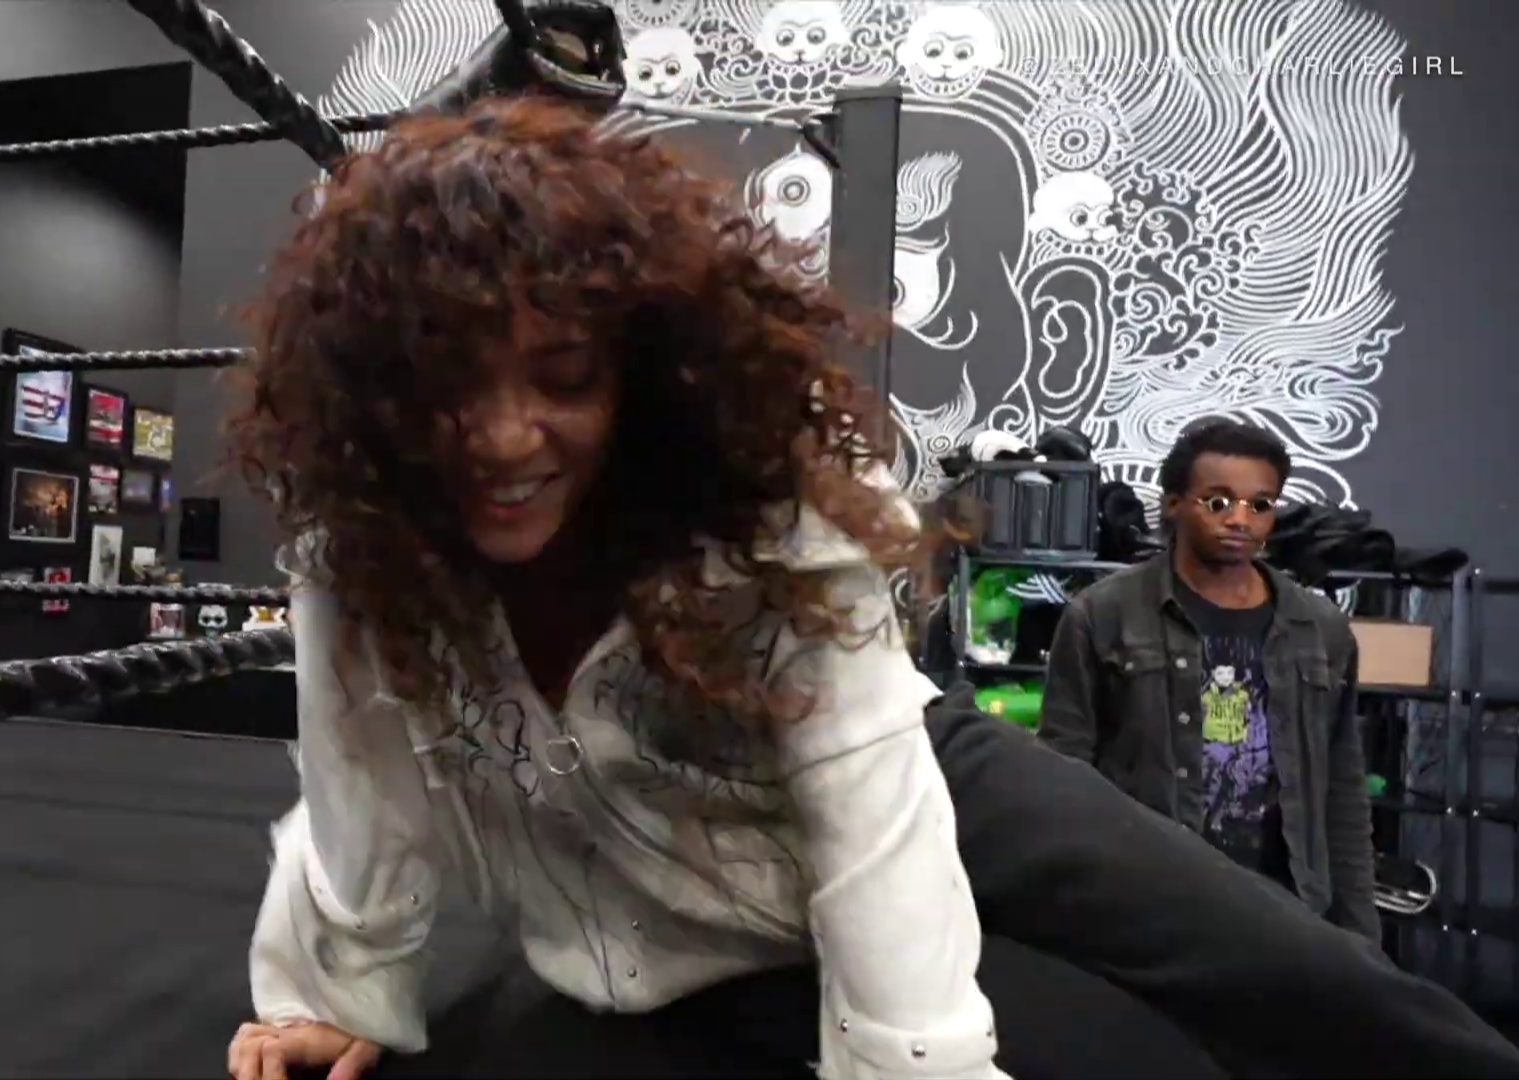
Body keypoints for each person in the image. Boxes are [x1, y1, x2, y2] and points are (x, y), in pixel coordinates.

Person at [224, 99, 1519, 1080]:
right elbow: (360, 782)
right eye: (451, 383)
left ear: (634, 374)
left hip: (892, 759)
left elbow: (865, 807)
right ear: (379, 386)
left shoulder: (760, 518)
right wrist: (331, 992)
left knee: (1277, 963)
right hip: (699, 890)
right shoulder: (364, 551)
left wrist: (916, 1064)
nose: (506, 438)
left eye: (561, 377)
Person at [1037, 418, 1381, 945]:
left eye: (1260, 504)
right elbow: (1063, 777)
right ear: (1174, 504)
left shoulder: (1319, 629)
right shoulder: (1102, 615)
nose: (1240, 519)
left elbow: (1342, 788)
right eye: (1218, 502)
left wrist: (1359, 936)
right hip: (1146, 906)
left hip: (1287, 911)